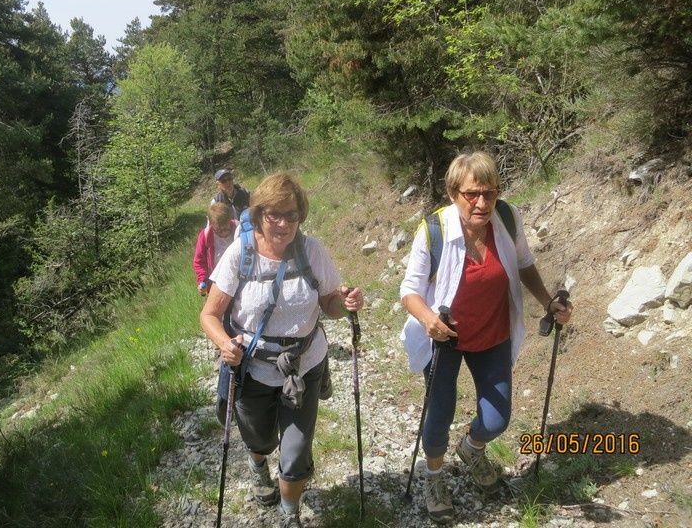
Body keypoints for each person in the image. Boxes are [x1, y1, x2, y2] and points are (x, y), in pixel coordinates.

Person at [399, 151, 573, 523]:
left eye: (490, 193)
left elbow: (524, 263)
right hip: (444, 337)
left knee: (497, 421)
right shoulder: (433, 230)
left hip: (493, 333)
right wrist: (428, 318)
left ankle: (472, 448)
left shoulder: (507, 219)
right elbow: (409, 290)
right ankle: (433, 476)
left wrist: (548, 302)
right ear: (453, 192)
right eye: (472, 194)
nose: (482, 203)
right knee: (439, 414)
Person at [200, 172, 364, 528]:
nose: (284, 223)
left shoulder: (312, 250)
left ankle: (289, 516)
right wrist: (225, 343)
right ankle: (258, 464)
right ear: (259, 214)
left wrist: (345, 302)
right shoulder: (239, 255)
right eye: (274, 214)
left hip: (304, 366)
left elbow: (330, 306)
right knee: (259, 439)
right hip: (253, 368)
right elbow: (209, 315)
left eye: (292, 215)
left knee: (294, 453)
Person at [193, 202, 238, 294]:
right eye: (219, 230)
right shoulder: (205, 236)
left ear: (230, 220)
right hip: (218, 282)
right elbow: (199, 261)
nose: (224, 233)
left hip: (239, 278)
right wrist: (202, 280)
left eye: (226, 229)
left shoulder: (239, 228)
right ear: (211, 223)